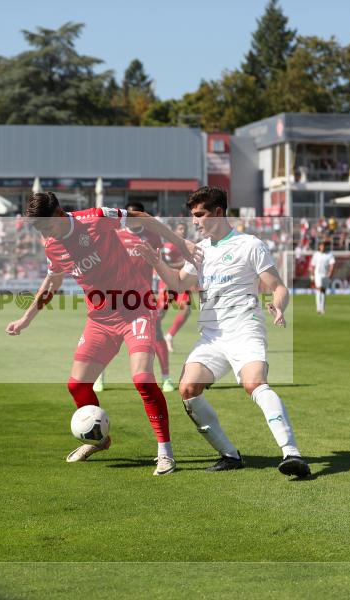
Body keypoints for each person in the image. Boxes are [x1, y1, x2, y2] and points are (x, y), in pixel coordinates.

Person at [6, 192, 194, 476]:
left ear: (58, 213)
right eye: (38, 229)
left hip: (136, 309)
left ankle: (165, 452)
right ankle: (99, 439)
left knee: (142, 379)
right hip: (100, 320)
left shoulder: (95, 218)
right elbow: (52, 281)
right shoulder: (52, 246)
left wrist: (180, 242)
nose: (44, 234)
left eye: (45, 226)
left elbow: (141, 218)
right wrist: (26, 318)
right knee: (77, 386)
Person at [136, 186, 310, 478]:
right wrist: (157, 263)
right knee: (188, 389)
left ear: (218, 212)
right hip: (212, 337)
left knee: (254, 383)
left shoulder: (250, 245)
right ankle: (230, 455)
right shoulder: (200, 249)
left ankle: (292, 453)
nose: (195, 221)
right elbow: (178, 283)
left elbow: (278, 286)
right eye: (192, 215)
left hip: (245, 330)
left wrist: (279, 306)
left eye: (200, 214)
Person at [94, 201, 175, 393]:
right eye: (129, 216)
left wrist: (163, 293)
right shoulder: (116, 236)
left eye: (136, 215)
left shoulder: (154, 238)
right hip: (117, 296)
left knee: (156, 336)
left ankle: (166, 379)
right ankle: (99, 378)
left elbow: (159, 266)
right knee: (107, 338)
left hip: (143, 297)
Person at [161, 222, 193, 353]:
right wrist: (185, 263)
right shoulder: (169, 247)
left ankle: (169, 337)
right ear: (174, 231)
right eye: (180, 229)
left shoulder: (187, 246)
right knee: (160, 313)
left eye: (185, 229)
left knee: (186, 310)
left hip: (182, 282)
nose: (183, 231)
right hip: (169, 282)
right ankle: (151, 336)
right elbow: (164, 264)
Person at [309, 240, 336, 315]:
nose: (322, 247)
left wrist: (330, 273)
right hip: (317, 274)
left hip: (325, 274)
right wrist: (312, 274)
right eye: (321, 246)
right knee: (318, 289)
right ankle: (318, 309)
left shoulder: (329, 254)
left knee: (323, 291)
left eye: (323, 246)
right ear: (319, 247)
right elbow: (312, 265)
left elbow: (332, 264)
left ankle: (322, 309)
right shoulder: (316, 254)